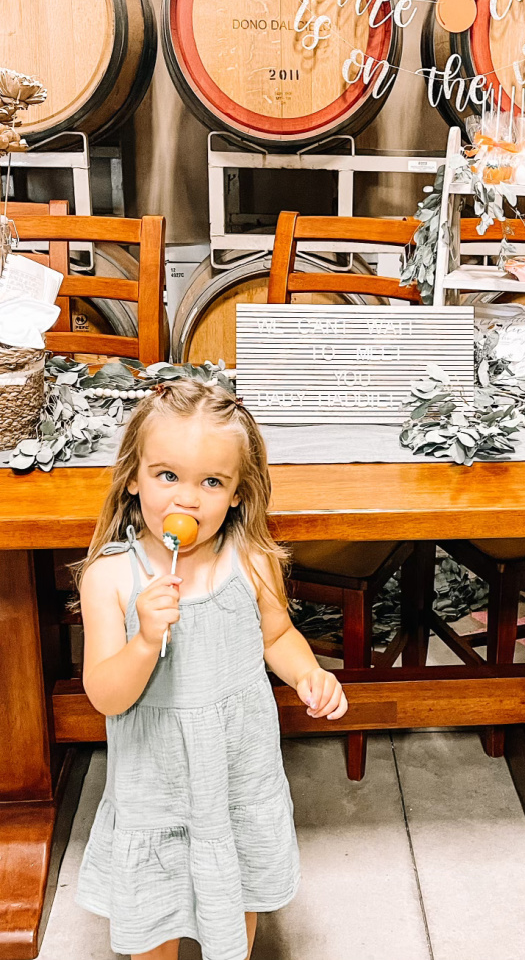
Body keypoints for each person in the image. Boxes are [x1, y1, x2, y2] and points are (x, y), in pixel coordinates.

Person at [75, 378, 347, 960]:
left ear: (239, 494)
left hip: (235, 775)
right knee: (156, 915)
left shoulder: (249, 561)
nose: (187, 500)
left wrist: (307, 675)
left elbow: (277, 636)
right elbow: (106, 696)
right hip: (157, 786)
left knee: (234, 899)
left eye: (212, 482)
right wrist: (146, 639)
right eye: (166, 476)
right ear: (133, 477)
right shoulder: (110, 579)